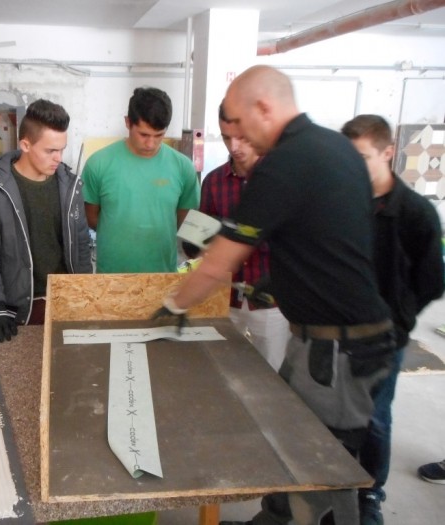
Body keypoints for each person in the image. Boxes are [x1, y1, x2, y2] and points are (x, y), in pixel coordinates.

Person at [156, 65, 395, 525]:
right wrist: (280, 278)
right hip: (338, 338)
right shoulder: (333, 148)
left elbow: (219, 262)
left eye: (240, 124)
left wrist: (172, 305)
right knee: (297, 439)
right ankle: (275, 517)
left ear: (263, 108)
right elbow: (329, 239)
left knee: (322, 464)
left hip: (336, 348)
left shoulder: (284, 163)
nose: (237, 139)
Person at [341, 114, 444, 524]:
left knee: (375, 419)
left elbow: (432, 280)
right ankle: (336, 490)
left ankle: (371, 493)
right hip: (341, 334)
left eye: (362, 157)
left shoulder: (416, 212)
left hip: (386, 339)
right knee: (338, 417)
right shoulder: (345, 204)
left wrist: (398, 317)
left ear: (388, 152)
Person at [0, 99, 92, 342]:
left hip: (65, 303)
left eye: (62, 149)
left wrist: (86, 293)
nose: (58, 158)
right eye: (50, 151)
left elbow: (81, 245)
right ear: (25, 144)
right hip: (19, 308)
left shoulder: (70, 185)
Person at [190, 102, 289, 371]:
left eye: (242, 138)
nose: (234, 147)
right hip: (225, 298)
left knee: (270, 375)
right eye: (226, 138)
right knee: (221, 369)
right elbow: (199, 239)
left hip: (270, 302)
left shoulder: (282, 180)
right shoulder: (213, 182)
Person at [82, 86, 200, 273]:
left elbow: (183, 220)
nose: (151, 143)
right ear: (128, 122)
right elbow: (91, 218)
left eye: (159, 135)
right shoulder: (99, 164)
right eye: (144, 134)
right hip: (111, 279)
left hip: (162, 276)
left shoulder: (183, 168)